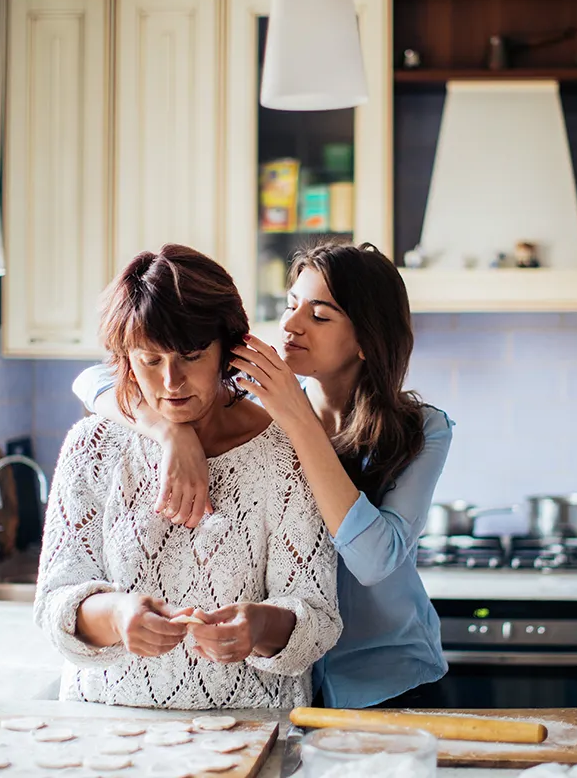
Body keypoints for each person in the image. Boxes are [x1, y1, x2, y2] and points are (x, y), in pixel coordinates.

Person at [73, 241, 454, 709]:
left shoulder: (422, 428)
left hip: (385, 674)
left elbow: (375, 561)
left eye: (319, 315)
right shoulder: (258, 412)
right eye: (291, 305)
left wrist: (297, 420)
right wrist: (170, 432)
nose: (290, 325)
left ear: (365, 339)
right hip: (298, 680)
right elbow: (95, 379)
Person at [35, 244, 341, 710]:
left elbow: (317, 617)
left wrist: (257, 628)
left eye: (192, 356)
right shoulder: (91, 447)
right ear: (125, 358)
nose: (171, 382)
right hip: (105, 729)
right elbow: (55, 602)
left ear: (228, 349)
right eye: (150, 361)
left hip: (252, 728)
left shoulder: (286, 454)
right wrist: (117, 616)